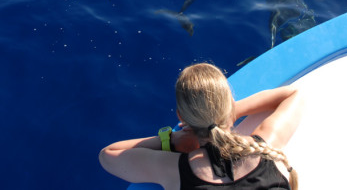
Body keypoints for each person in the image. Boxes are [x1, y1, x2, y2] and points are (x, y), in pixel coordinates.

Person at [99, 63, 304, 190]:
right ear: (230, 102)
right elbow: (292, 95)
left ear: (181, 117)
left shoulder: (172, 169)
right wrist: (230, 113)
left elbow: (108, 155)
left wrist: (171, 139)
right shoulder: (264, 146)